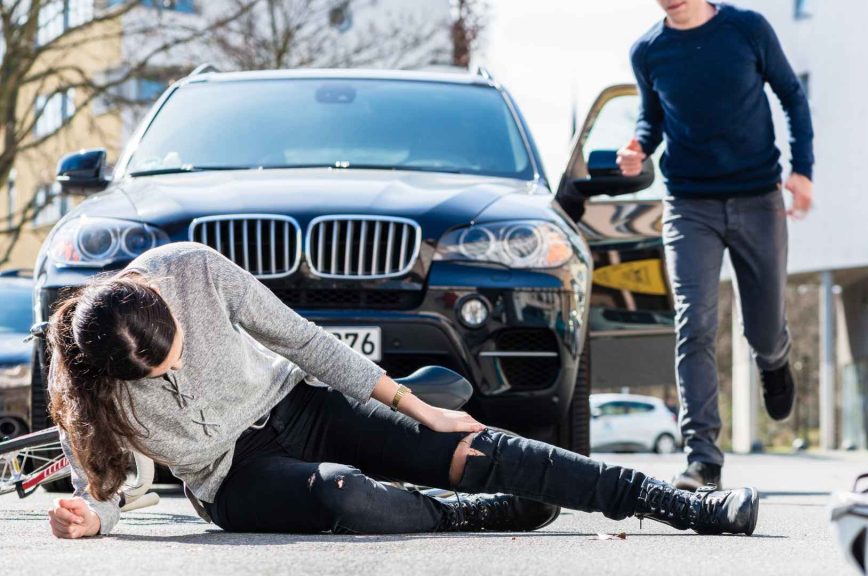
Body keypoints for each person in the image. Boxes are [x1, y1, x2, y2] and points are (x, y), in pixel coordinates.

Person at [45, 242, 759, 539]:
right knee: (346, 493)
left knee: (477, 445)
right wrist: (93, 519)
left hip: (299, 403)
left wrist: (419, 410)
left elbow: (305, 342)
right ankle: (471, 516)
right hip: (234, 477)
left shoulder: (191, 271)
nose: (175, 371)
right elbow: (103, 482)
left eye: (177, 351)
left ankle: (679, 504)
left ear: (160, 299)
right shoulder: (85, 380)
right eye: (156, 375)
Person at [617, 0, 814, 489]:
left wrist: (803, 170)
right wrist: (639, 147)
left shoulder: (747, 29)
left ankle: (773, 359)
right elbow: (651, 119)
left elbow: (792, 96)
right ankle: (702, 457)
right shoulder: (648, 51)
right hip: (689, 206)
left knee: (764, 330)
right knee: (695, 324)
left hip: (759, 198)